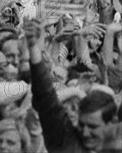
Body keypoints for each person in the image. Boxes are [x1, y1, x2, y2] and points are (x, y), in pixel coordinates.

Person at [24, 18, 122, 153]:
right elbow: (45, 98)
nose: (85, 133)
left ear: (112, 123)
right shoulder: (66, 140)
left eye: (93, 127)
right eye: (81, 125)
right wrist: (34, 48)